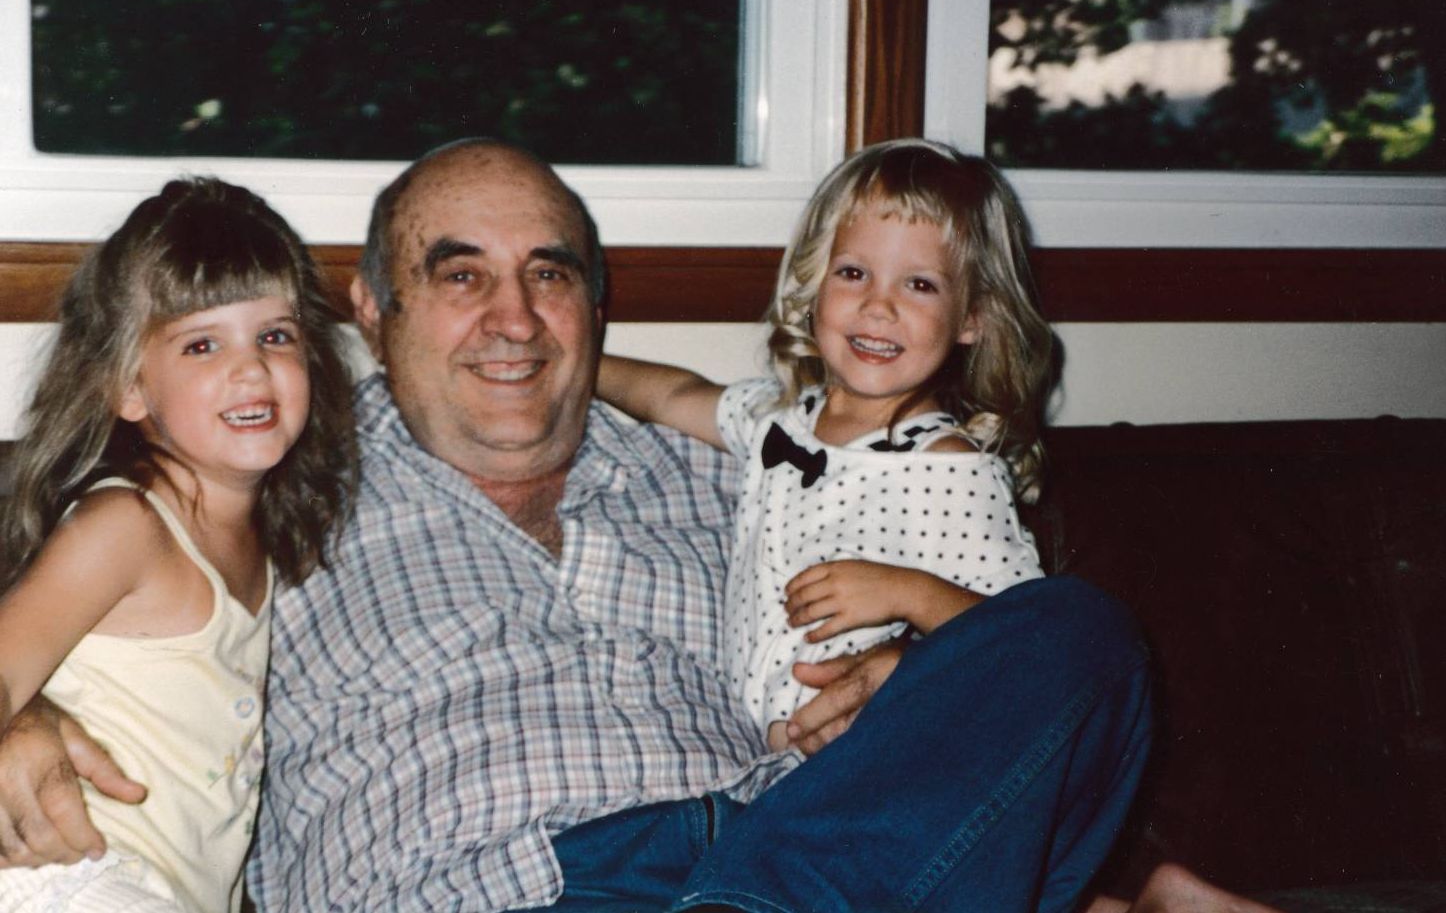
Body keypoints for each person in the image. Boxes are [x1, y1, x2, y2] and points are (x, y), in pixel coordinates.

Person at [0, 140, 1155, 912]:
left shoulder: (749, 476)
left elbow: (986, 679)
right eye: (461, 276)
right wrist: (34, 709)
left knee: (1081, 634)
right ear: (372, 311)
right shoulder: (272, 479)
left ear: (595, 306)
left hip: (783, 862)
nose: (514, 319)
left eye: (549, 275)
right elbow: (78, 559)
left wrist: (926, 675)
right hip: (492, 888)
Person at [598, 139, 1053, 751]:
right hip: (765, 760)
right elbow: (673, 395)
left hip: (881, 758)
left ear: (972, 318)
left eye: (919, 284)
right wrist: (575, 365)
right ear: (814, 285)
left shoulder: (950, 468)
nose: (878, 305)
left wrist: (906, 593)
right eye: (853, 273)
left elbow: (1030, 637)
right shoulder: (779, 421)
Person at [0, 178, 356, 912]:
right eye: (202, 344)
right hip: (65, 875)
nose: (251, 367)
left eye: (275, 335)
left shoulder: (262, 538)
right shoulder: (127, 526)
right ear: (128, 388)